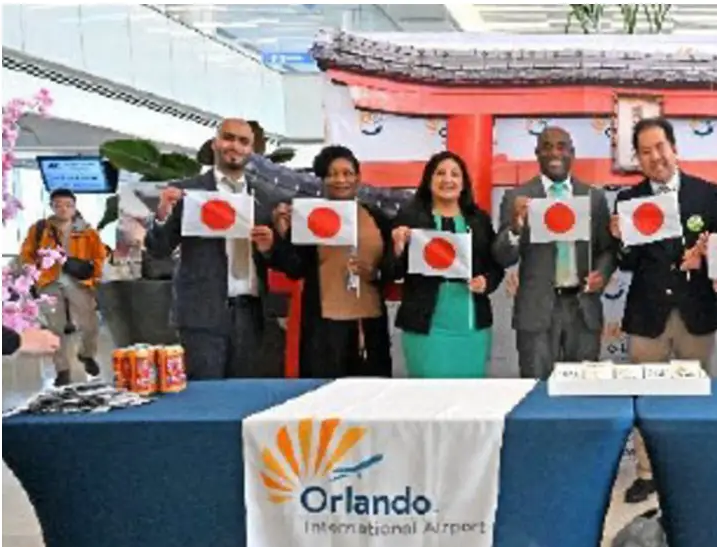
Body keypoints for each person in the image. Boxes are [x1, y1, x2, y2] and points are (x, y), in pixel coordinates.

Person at [612, 117, 717, 503]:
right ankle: (647, 472)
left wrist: (708, 257)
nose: (655, 157)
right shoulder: (628, 201)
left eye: (660, 147)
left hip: (696, 311)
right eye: (645, 152)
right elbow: (626, 262)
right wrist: (620, 239)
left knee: (694, 393)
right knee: (646, 396)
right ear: (639, 160)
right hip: (648, 315)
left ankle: (693, 467)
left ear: (674, 147)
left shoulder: (707, 194)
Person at [145, 117, 279, 380]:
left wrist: (271, 246)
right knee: (204, 399)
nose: (235, 146)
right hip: (201, 314)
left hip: (251, 314)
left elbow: (282, 260)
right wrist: (162, 215)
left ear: (252, 150)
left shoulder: (266, 198)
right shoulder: (185, 192)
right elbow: (158, 249)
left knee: (245, 401)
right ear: (215, 142)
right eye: (229, 138)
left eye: (243, 142)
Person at [492, 125, 617, 378]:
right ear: (537, 153)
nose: (554, 153)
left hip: (583, 309)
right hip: (536, 311)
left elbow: (608, 249)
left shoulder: (594, 197)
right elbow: (503, 257)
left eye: (561, 147)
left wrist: (601, 275)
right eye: (546, 147)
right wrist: (516, 226)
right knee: (535, 392)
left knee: (583, 394)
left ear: (572, 153)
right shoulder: (518, 197)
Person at [268, 145, 396, 377]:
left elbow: (392, 268)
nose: (340, 179)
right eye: (333, 173)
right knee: (324, 396)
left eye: (347, 173)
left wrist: (374, 273)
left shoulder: (377, 218)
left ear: (358, 178)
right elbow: (295, 268)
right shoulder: (309, 217)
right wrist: (282, 233)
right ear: (323, 180)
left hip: (368, 324)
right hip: (323, 327)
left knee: (371, 397)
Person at [388, 151, 504, 378]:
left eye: (455, 174)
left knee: (469, 399)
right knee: (428, 399)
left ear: (463, 183)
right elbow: (391, 271)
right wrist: (398, 247)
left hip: (470, 326)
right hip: (426, 327)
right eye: (440, 173)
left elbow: (495, 267)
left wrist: (486, 281)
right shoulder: (411, 217)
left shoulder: (478, 220)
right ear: (429, 180)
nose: (447, 180)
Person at [19, 189, 109, 386]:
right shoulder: (40, 229)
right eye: (58, 205)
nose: (63, 209)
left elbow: (100, 257)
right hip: (49, 283)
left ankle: (87, 354)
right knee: (54, 328)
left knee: (90, 325)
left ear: (74, 207)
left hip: (79, 283)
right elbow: (27, 254)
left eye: (68, 205)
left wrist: (93, 277)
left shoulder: (88, 232)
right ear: (51, 206)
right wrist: (32, 274)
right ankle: (62, 370)